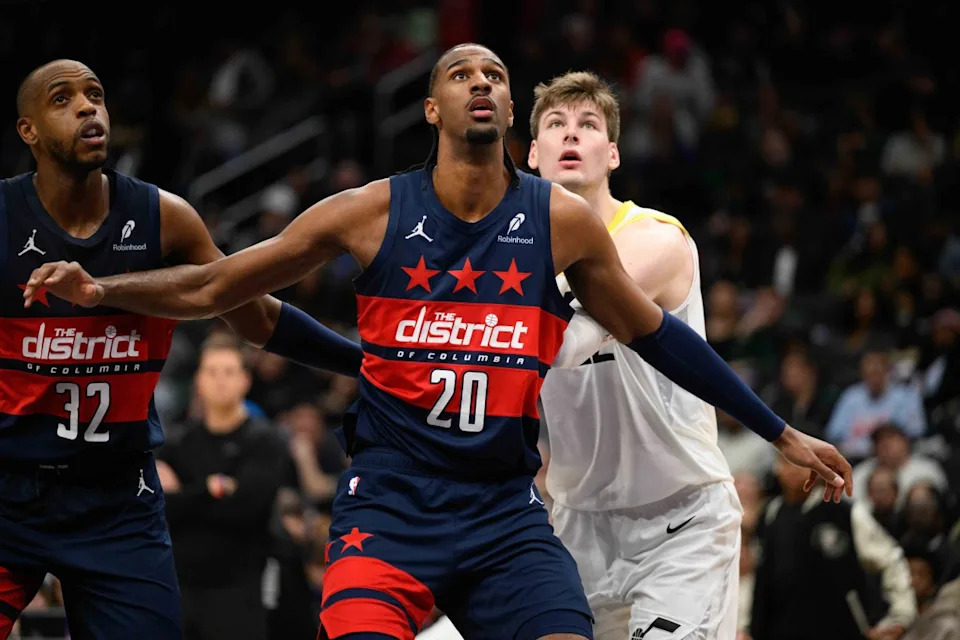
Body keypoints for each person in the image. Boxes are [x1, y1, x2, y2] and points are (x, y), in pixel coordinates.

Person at [25, 44, 852, 640]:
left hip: (507, 512)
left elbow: (662, 337)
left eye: (495, 74)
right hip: (394, 507)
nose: (482, 83)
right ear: (432, 108)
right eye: (461, 74)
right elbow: (220, 286)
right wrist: (106, 289)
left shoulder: (564, 224)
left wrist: (779, 430)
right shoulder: (368, 210)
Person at [0, 59, 362, 640]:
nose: (88, 107)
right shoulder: (1, 215)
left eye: (95, 94)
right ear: (29, 131)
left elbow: (256, 314)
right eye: (62, 99)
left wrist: (364, 364)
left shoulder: (162, 217)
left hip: (118, 501)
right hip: (11, 490)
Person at [529, 70, 739, 639]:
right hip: (577, 523)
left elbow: (567, 344)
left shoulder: (656, 238)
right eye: (556, 124)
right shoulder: (515, 252)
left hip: (683, 519)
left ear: (613, 153)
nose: (571, 135)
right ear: (532, 153)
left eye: (588, 124)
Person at [156, 334, 287, 640]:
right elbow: (162, 505)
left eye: (229, 372)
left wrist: (186, 494)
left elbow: (247, 508)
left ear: (245, 380)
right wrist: (211, 489)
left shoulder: (265, 441)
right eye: (211, 372)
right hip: (182, 586)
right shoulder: (178, 441)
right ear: (198, 380)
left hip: (239, 588)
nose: (219, 381)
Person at [750, 458, 916, 640]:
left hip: (842, 630)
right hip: (781, 630)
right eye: (786, 463)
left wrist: (900, 616)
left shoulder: (844, 512)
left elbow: (890, 559)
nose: (793, 471)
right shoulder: (771, 514)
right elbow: (760, 580)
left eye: (800, 463)